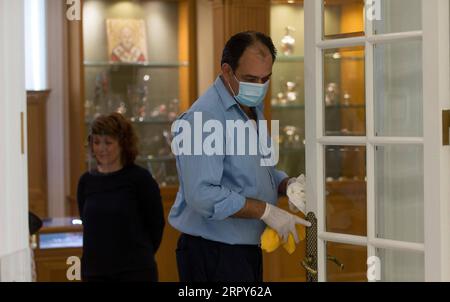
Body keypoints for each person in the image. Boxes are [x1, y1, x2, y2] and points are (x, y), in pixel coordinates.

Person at [168, 31, 311, 282]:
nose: (258, 87)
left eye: (265, 79)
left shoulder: (250, 108)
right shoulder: (204, 118)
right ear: (226, 71)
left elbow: (259, 169)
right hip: (212, 253)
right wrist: (265, 211)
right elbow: (202, 194)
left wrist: (286, 185)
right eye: (250, 79)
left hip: (242, 251)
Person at [77, 113, 165, 282]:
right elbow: (87, 224)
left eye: (108, 143)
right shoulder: (86, 181)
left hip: (135, 272)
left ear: (123, 144)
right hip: (94, 272)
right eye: (96, 142)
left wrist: (137, 256)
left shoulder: (140, 179)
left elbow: (156, 225)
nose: (101, 149)